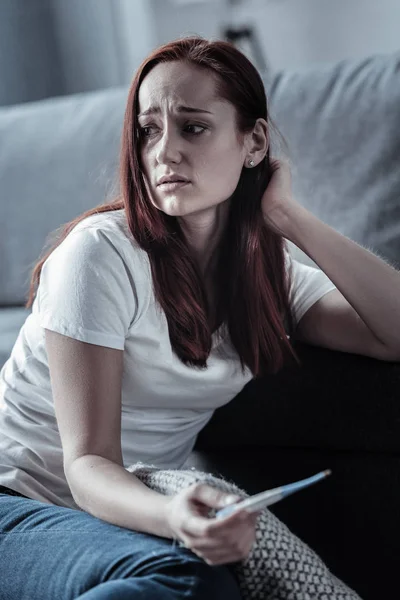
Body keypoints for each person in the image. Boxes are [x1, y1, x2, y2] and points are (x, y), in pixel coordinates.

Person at [1, 35, 400, 600]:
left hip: (113, 517)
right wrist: (174, 517)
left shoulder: (267, 272)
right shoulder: (99, 255)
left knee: (212, 586)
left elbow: (393, 334)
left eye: (192, 127)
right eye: (148, 130)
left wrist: (289, 215)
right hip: (19, 504)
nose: (164, 152)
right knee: (185, 580)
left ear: (254, 141)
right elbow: (87, 464)